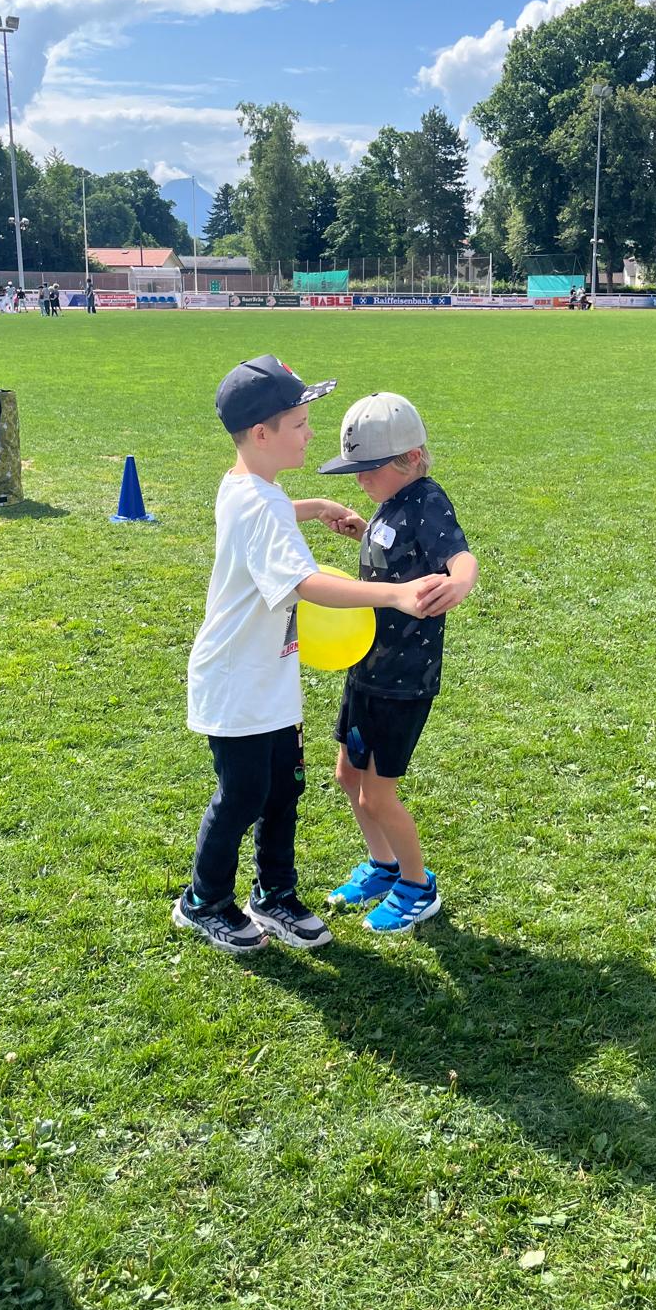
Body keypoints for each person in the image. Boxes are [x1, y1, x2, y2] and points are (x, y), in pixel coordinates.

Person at [174, 355, 435, 956]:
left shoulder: (249, 486)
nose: (311, 433)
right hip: (237, 682)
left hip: (270, 678)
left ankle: (274, 895)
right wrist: (395, 594)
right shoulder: (257, 504)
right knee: (243, 795)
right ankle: (204, 901)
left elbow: (265, 514)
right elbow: (307, 585)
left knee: (284, 790)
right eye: (299, 424)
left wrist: (313, 507)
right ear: (261, 433)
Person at [318, 392, 478, 933]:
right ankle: (383, 866)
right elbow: (399, 551)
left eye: (370, 469)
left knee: (377, 793)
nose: (362, 480)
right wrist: (364, 530)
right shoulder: (390, 501)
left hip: (403, 679)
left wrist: (460, 583)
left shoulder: (428, 500)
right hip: (365, 666)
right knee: (347, 774)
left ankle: (416, 885)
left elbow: (459, 556)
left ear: (409, 458)